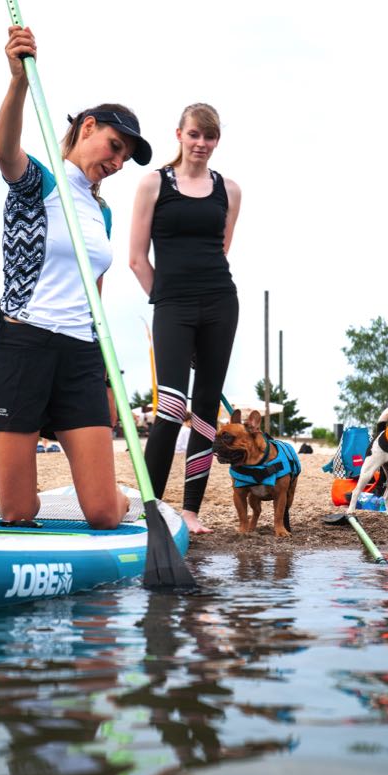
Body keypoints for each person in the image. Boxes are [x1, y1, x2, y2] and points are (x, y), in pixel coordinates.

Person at [0, 26, 152, 528]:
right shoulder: (40, 184)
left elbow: (94, 302)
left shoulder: (103, 216)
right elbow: (5, 149)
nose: (117, 162)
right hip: (20, 345)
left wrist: (105, 379)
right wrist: (18, 82)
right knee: (17, 511)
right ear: (88, 127)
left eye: (125, 157)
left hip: (77, 354)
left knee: (103, 514)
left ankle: (115, 493)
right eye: (114, 146)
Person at [129, 103, 241, 533]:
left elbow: (222, 249)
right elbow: (137, 259)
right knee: (172, 407)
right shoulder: (153, 184)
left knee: (205, 410)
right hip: (172, 306)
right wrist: (169, 300)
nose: (201, 144)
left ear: (216, 140)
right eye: (194, 135)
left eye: (209, 137)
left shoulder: (228, 190)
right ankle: (152, 505)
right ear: (179, 134)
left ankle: (190, 512)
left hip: (220, 303)